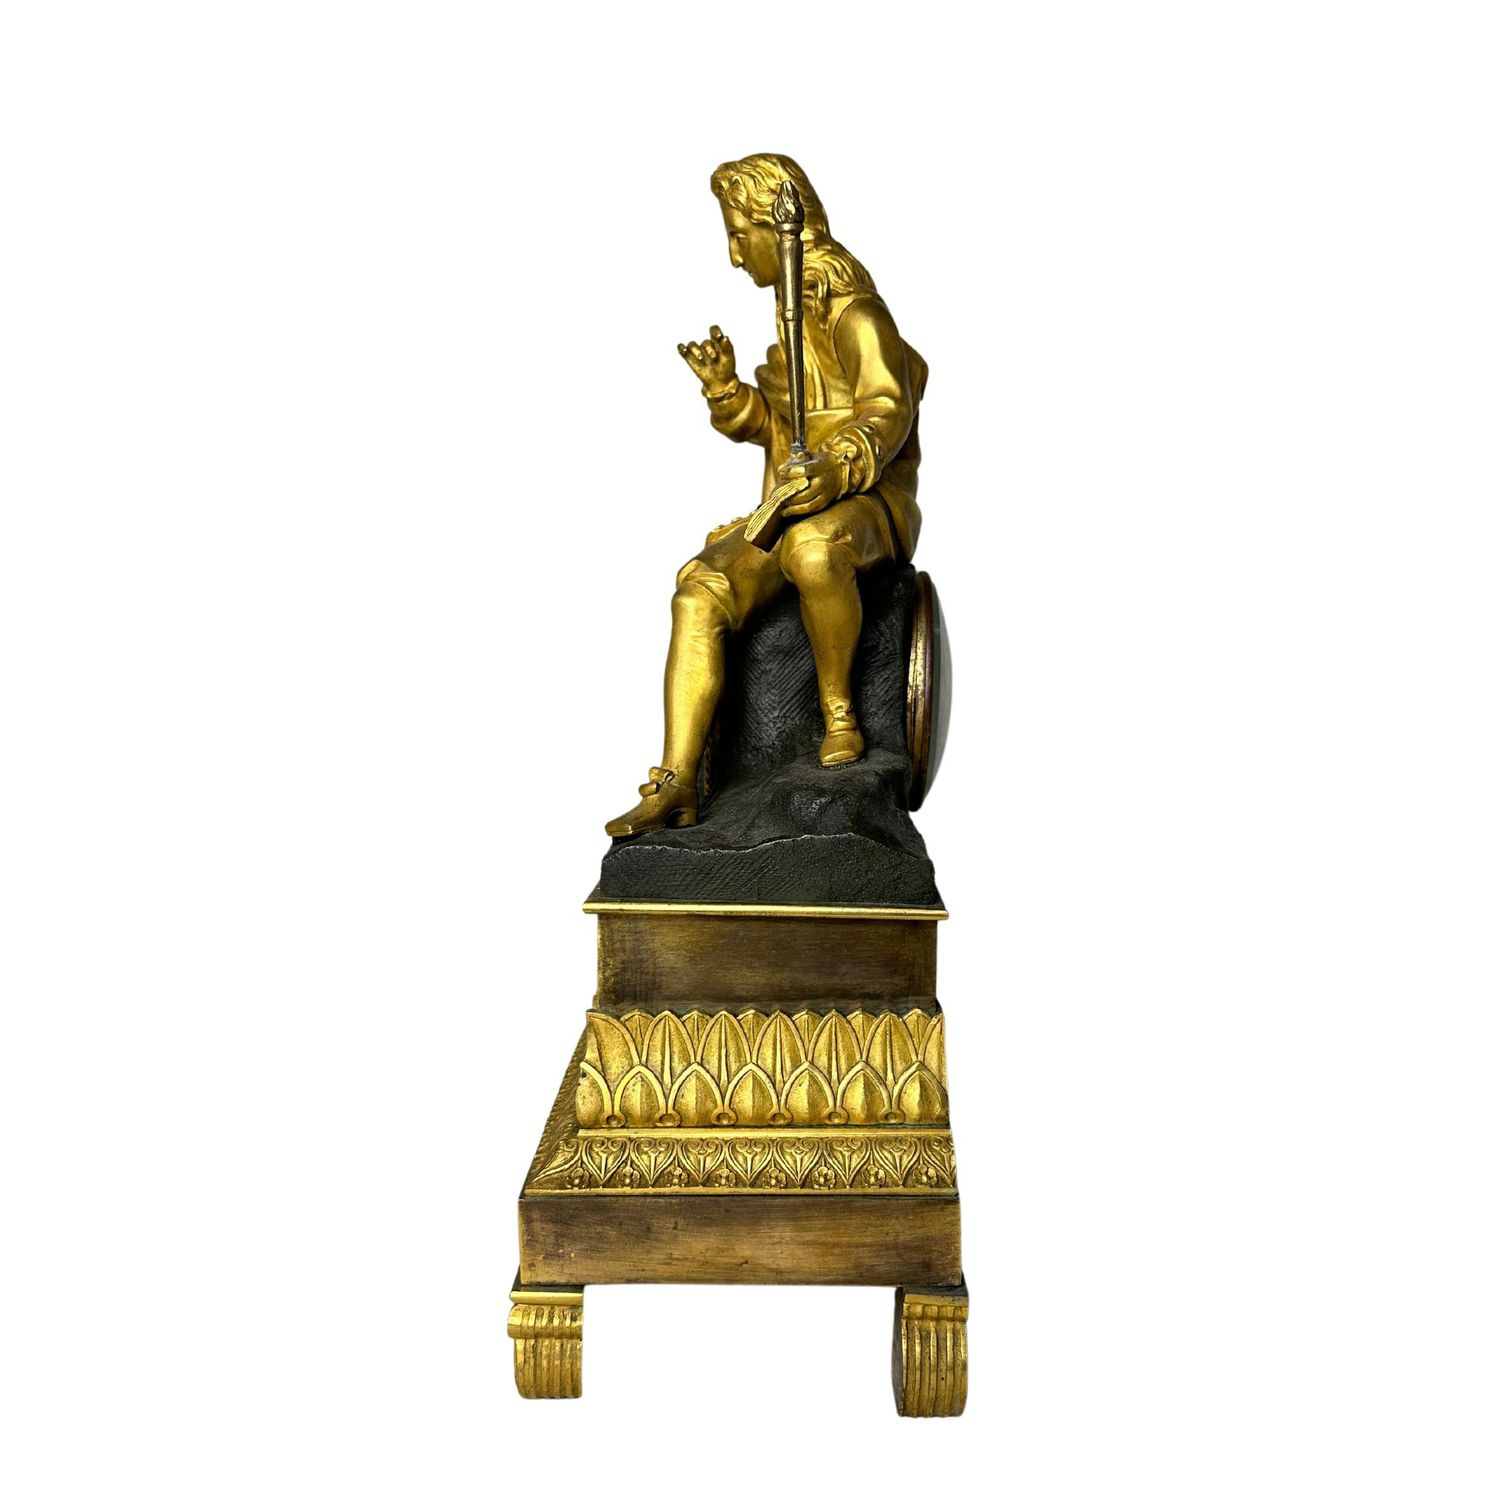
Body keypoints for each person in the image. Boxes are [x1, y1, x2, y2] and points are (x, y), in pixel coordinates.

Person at [606, 154, 928, 838]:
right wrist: (727, 392)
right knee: (699, 588)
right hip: (790, 500)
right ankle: (677, 781)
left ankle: (839, 715)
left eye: (737, 235)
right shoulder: (790, 321)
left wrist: (838, 467)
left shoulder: (854, 313)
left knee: (813, 552)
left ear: (774, 228)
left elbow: (887, 407)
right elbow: (777, 427)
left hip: (867, 500)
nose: (733, 255)